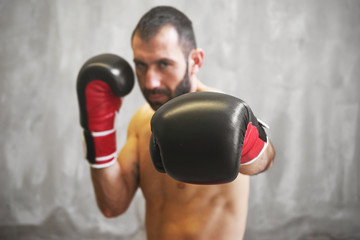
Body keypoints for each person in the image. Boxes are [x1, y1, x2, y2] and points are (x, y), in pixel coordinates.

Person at [79, 6, 275, 240]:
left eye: (164, 64)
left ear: (195, 60)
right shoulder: (142, 120)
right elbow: (113, 205)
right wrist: (98, 133)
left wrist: (250, 144)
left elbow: (266, 161)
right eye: (141, 65)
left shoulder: (223, 116)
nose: (150, 82)